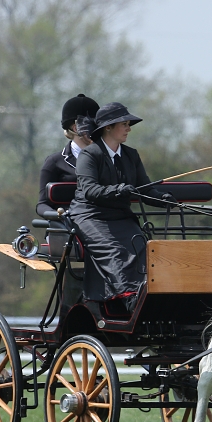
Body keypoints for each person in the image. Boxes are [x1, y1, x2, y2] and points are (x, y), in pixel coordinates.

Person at [70, 102, 151, 314]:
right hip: (90, 216)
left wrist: (166, 198)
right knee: (115, 251)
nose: (129, 128)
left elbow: (145, 189)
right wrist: (118, 190)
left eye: (128, 124)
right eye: (124, 124)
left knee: (142, 248)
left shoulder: (131, 155)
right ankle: (130, 300)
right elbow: (90, 190)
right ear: (108, 127)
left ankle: (147, 294)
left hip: (120, 216)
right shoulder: (89, 155)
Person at [36, 93, 100, 217]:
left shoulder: (107, 158)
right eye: (94, 125)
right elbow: (42, 204)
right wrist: (59, 216)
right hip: (66, 228)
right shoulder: (54, 162)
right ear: (76, 128)